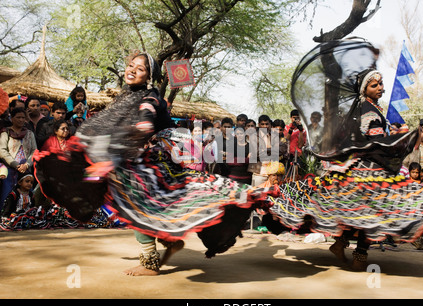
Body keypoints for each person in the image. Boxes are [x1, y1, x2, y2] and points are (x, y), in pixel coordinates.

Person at [33, 51, 278, 276]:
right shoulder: (128, 96)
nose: (132, 70)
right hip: (138, 156)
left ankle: (150, 261)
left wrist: (113, 159)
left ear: (149, 77)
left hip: (155, 158)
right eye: (130, 65)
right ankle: (169, 242)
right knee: (139, 204)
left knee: (139, 204)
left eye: (140, 69)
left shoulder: (149, 97)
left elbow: (145, 126)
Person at [263, 65, 423, 271]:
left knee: (362, 212)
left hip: (369, 168)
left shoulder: (370, 108)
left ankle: (340, 244)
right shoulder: (368, 110)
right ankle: (359, 254)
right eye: (374, 85)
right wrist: (401, 139)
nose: (380, 87)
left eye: (380, 84)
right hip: (367, 171)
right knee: (370, 213)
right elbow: (375, 142)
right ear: (364, 89)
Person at [0, 107, 37, 205]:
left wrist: (27, 165)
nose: (21, 120)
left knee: (26, 195)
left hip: (26, 170)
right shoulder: (5, 133)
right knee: (7, 195)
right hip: (10, 169)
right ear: (11, 118)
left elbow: (34, 151)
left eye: (23, 117)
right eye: (18, 117)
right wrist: (16, 165)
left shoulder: (29, 134)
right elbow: (2, 151)